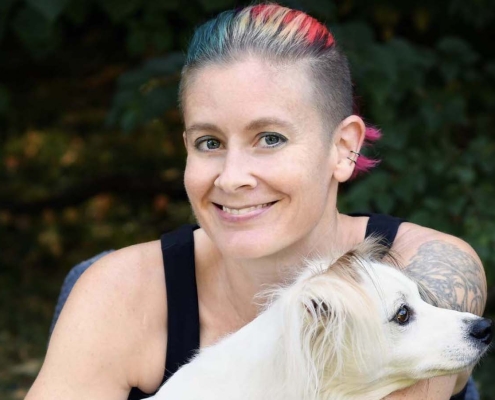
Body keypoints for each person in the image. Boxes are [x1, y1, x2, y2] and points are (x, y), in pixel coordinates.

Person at [26, 3, 486, 400]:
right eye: (209, 142)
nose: (232, 178)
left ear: (344, 147)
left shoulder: (430, 263)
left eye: (270, 138)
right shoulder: (119, 292)